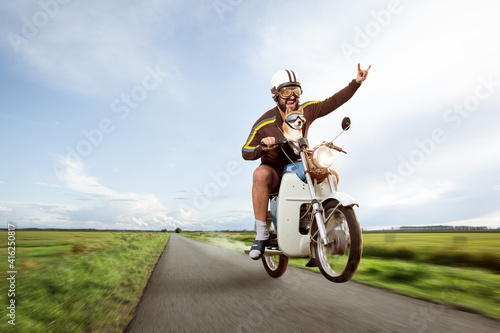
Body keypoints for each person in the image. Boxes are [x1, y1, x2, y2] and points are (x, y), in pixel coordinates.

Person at [242, 64, 370, 260]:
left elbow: (332, 102)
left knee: (331, 174)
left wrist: (356, 83)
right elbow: (245, 151)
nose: (292, 96)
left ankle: (323, 228)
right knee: (259, 175)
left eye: (296, 90)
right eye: (286, 91)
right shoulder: (264, 122)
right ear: (275, 94)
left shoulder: (306, 110)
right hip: (275, 171)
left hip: (300, 163)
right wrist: (262, 147)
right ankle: (261, 234)